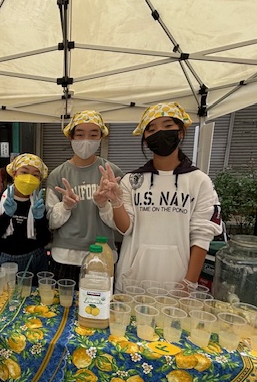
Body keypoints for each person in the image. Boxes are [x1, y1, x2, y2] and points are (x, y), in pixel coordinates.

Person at [97, 102, 223, 292]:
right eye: (152, 129)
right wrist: (116, 201)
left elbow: (202, 235)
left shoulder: (199, 181)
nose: (160, 132)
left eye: (168, 126)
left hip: (177, 284)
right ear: (146, 140)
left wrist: (190, 282)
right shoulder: (132, 180)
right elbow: (126, 228)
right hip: (133, 281)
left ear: (180, 132)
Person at [45, 110, 123, 284]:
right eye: (80, 134)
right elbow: (50, 222)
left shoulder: (113, 173)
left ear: (101, 137)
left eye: (93, 134)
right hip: (65, 257)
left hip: (102, 256)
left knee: (97, 309)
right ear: (70, 137)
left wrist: (103, 204)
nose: (86, 140)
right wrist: (65, 207)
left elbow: (120, 225)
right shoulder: (57, 175)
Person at [0, 154, 51, 280]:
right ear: (14, 174)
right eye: (24, 172)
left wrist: (39, 218)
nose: (29, 178)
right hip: (9, 262)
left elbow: (45, 240)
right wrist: (7, 215)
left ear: (40, 179)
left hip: (37, 259)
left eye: (35, 175)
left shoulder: (38, 203)